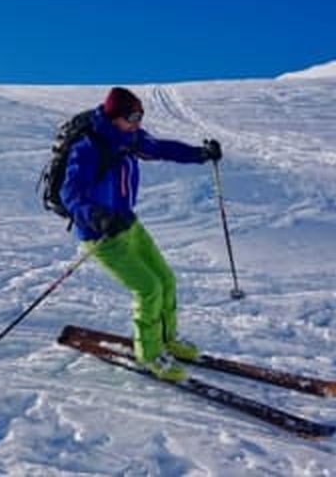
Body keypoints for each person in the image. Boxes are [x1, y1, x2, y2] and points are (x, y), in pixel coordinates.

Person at [60, 86, 222, 382]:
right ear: (114, 117)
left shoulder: (130, 139)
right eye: (132, 117)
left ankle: (167, 339)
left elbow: (162, 149)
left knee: (166, 279)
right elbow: (70, 194)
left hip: (129, 225)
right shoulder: (88, 148)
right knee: (148, 288)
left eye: (140, 116)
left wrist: (200, 154)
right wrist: (95, 215)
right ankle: (149, 355)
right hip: (101, 236)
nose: (138, 122)